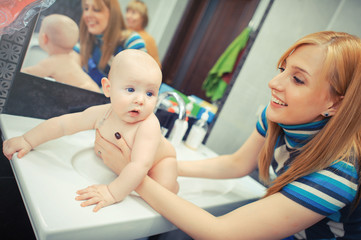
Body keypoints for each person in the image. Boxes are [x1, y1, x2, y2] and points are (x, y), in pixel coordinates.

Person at [85, 31, 361, 239]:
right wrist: (161, 165)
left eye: (298, 79)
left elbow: (221, 233)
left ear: (335, 104)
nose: (274, 83)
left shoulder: (339, 172)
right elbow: (236, 164)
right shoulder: (277, 116)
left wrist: (131, 174)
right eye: (283, 69)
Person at [3, 49, 179, 213]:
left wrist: (112, 192)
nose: (140, 99)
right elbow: (65, 124)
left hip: (160, 162)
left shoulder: (148, 125)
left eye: (150, 93)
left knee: (163, 194)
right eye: (131, 89)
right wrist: (28, 140)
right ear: (108, 88)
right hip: (122, 164)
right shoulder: (104, 113)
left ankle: (175, 183)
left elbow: (140, 165)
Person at [22, 14, 101, 93]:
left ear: (44, 38)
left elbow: (27, 73)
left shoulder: (52, 62)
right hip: (94, 89)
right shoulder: (74, 55)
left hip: (86, 93)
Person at [76, 0, 146, 87]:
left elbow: (139, 84)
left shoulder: (131, 41)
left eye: (96, 9)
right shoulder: (87, 41)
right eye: (86, 8)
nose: (88, 14)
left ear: (112, 14)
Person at [126, 0, 161, 67]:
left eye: (133, 13)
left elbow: (156, 66)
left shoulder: (148, 39)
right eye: (127, 11)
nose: (128, 16)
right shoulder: (122, 31)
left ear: (143, 18)